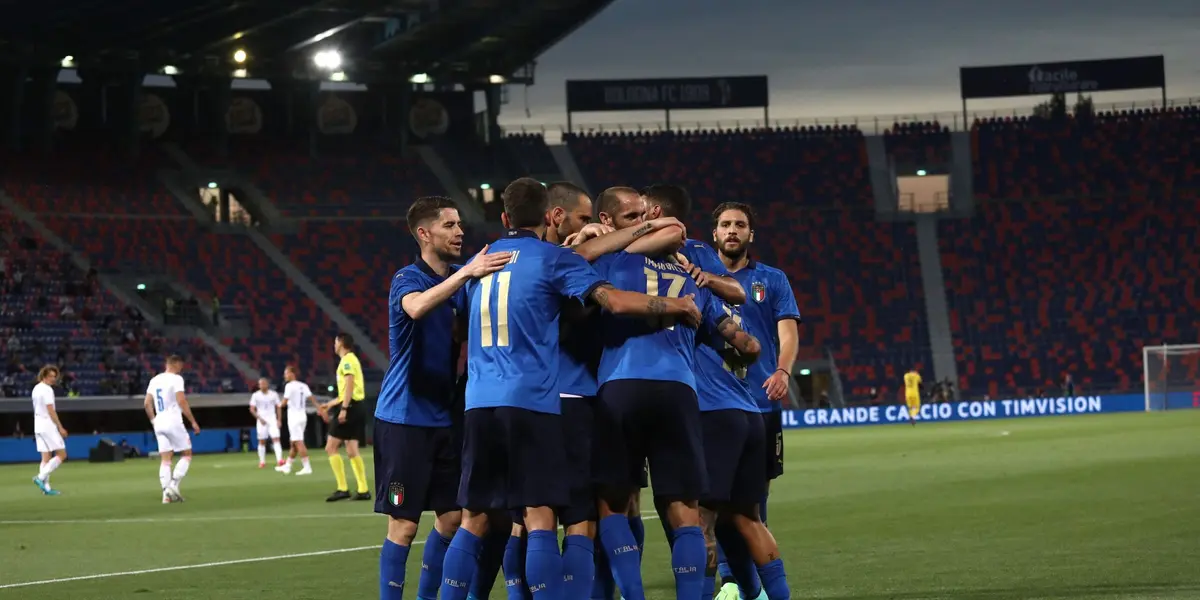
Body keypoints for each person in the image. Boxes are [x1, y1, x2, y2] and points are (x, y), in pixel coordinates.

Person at [439, 177, 701, 600]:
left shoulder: (480, 263)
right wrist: (677, 305)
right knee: (570, 517)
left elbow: (456, 327)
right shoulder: (557, 260)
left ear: (504, 217)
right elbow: (613, 301)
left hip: (478, 403)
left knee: (479, 518)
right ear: (550, 216)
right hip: (551, 400)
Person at [590, 242, 760, 600]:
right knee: (686, 513)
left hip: (621, 385)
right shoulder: (689, 274)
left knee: (613, 506)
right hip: (679, 391)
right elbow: (745, 342)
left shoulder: (611, 260)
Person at [375, 196, 512, 600]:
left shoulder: (461, 279)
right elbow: (416, 309)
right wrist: (466, 274)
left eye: (459, 225)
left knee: (453, 519)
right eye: (449, 225)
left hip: (445, 419)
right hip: (403, 420)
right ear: (424, 233)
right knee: (403, 524)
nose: (460, 232)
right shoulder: (408, 278)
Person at [711, 202, 800, 600]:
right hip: (712, 404)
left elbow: (788, 334)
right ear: (714, 233)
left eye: (740, 225)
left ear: (751, 234)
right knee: (713, 500)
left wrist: (782, 372)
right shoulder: (698, 276)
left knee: (753, 499)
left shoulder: (771, 279)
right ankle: (731, 580)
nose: (732, 230)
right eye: (725, 224)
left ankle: (747, 583)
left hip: (761, 403)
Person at [321, 333, 370, 502]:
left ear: (341, 343)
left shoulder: (347, 360)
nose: (334, 345)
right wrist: (331, 404)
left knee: (331, 447)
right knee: (351, 449)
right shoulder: (353, 359)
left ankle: (343, 488)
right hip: (357, 406)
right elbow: (347, 391)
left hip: (351, 407)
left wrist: (343, 408)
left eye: (335, 341)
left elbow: (349, 384)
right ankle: (363, 489)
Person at [144, 356, 200, 503]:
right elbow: (181, 400)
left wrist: (153, 421)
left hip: (159, 422)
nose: (181, 368)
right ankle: (173, 485)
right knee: (187, 453)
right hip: (173, 421)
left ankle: (166, 495)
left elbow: (146, 403)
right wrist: (193, 422)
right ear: (175, 364)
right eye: (181, 365)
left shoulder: (154, 380)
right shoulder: (176, 379)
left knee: (165, 459)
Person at [31, 365, 67, 496]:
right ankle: (40, 478)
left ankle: (46, 489)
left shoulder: (36, 388)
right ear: (44, 375)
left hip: (38, 424)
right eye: (51, 376)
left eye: (54, 376)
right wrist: (60, 427)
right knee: (62, 454)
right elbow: (51, 410)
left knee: (45, 457)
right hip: (47, 424)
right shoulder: (47, 390)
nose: (53, 379)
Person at [277, 366, 315, 475]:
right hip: (303, 416)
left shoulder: (289, 386)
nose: (285, 375)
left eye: (286, 373)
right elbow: (311, 398)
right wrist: (320, 408)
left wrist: (278, 405)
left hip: (294, 416)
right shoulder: (303, 385)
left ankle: (307, 467)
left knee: (298, 442)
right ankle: (288, 466)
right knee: (293, 442)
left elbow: (284, 402)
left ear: (292, 374)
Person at [249, 377, 284, 468]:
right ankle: (262, 462)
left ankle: (279, 460)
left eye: (264, 383)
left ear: (267, 384)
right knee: (261, 441)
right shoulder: (255, 395)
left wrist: (279, 419)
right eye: (260, 384)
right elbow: (252, 409)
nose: (262, 385)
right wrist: (259, 418)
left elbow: (278, 407)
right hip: (261, 420)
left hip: (272, 419)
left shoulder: (274, 394)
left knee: (276, 439)